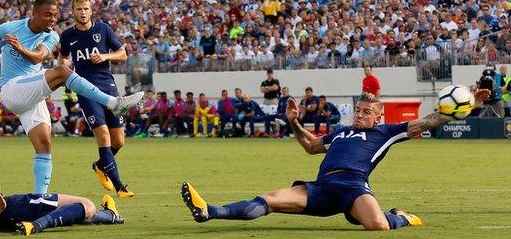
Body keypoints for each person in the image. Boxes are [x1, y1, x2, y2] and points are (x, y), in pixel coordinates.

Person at [182, 90, 491, 230]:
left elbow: (428, 122)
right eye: (358, 110)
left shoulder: (387, 132)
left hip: (355, 187)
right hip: (323, 186)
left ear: (378, 117)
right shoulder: (340, 132)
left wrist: (468, 107)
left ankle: (401, 216)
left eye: (367, 112)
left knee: (379, 226)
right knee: (268, 200)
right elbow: (311, 147)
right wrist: (294, 122)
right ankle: (209, 211)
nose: (360, 114)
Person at [0, 0, 144, 194]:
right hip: (12, 89)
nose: (53, 19)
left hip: (31, 96)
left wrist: (20, 48)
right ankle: (113, 103)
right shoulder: (8, 28)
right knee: (63, 71)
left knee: (45, 144)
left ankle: (39, 198)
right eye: (48, 15)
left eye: (56, 15)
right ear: (34, 14)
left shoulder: (52, 36)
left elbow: (38, 58)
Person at [0, 135, 124, 236]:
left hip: (1, 221)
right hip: (12, 208)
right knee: (86, 205)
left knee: (73, 214)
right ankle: (36, 225)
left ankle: (110, 215)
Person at [58, 0, 136, 197]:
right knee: (103, 135)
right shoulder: (67, 35)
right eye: (79, 9)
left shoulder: (103, 30)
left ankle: (101, 166)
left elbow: (123, 54)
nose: (82, 13)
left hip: (108, 87)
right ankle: (120, 186)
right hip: (86, 91)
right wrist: (64, 71)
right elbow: (63, 58)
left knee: (118, 141)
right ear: (72, 12)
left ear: (91, 10)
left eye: (86, 9)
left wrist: (105, 56)